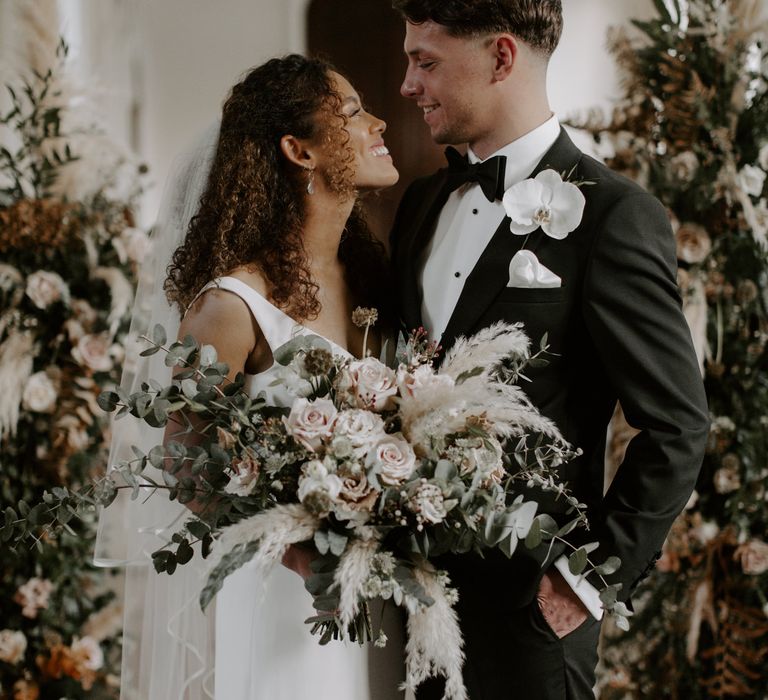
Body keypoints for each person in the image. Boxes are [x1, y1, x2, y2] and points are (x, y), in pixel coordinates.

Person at [387, 2, 710, 698]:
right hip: (415, 604)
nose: (408, 84)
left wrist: (586, 584)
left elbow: (678, 426)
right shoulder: (422, 204)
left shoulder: (614, 216)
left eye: (426, 61)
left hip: (532, 616)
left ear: (502, 57)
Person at [96, 54, 402, 699]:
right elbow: (184, 460)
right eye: (353, 113)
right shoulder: (232, 306)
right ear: (300, 150)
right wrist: (302, 552)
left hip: (390, 591)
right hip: (283, 597)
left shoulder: (378, 284)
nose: (379, 123)